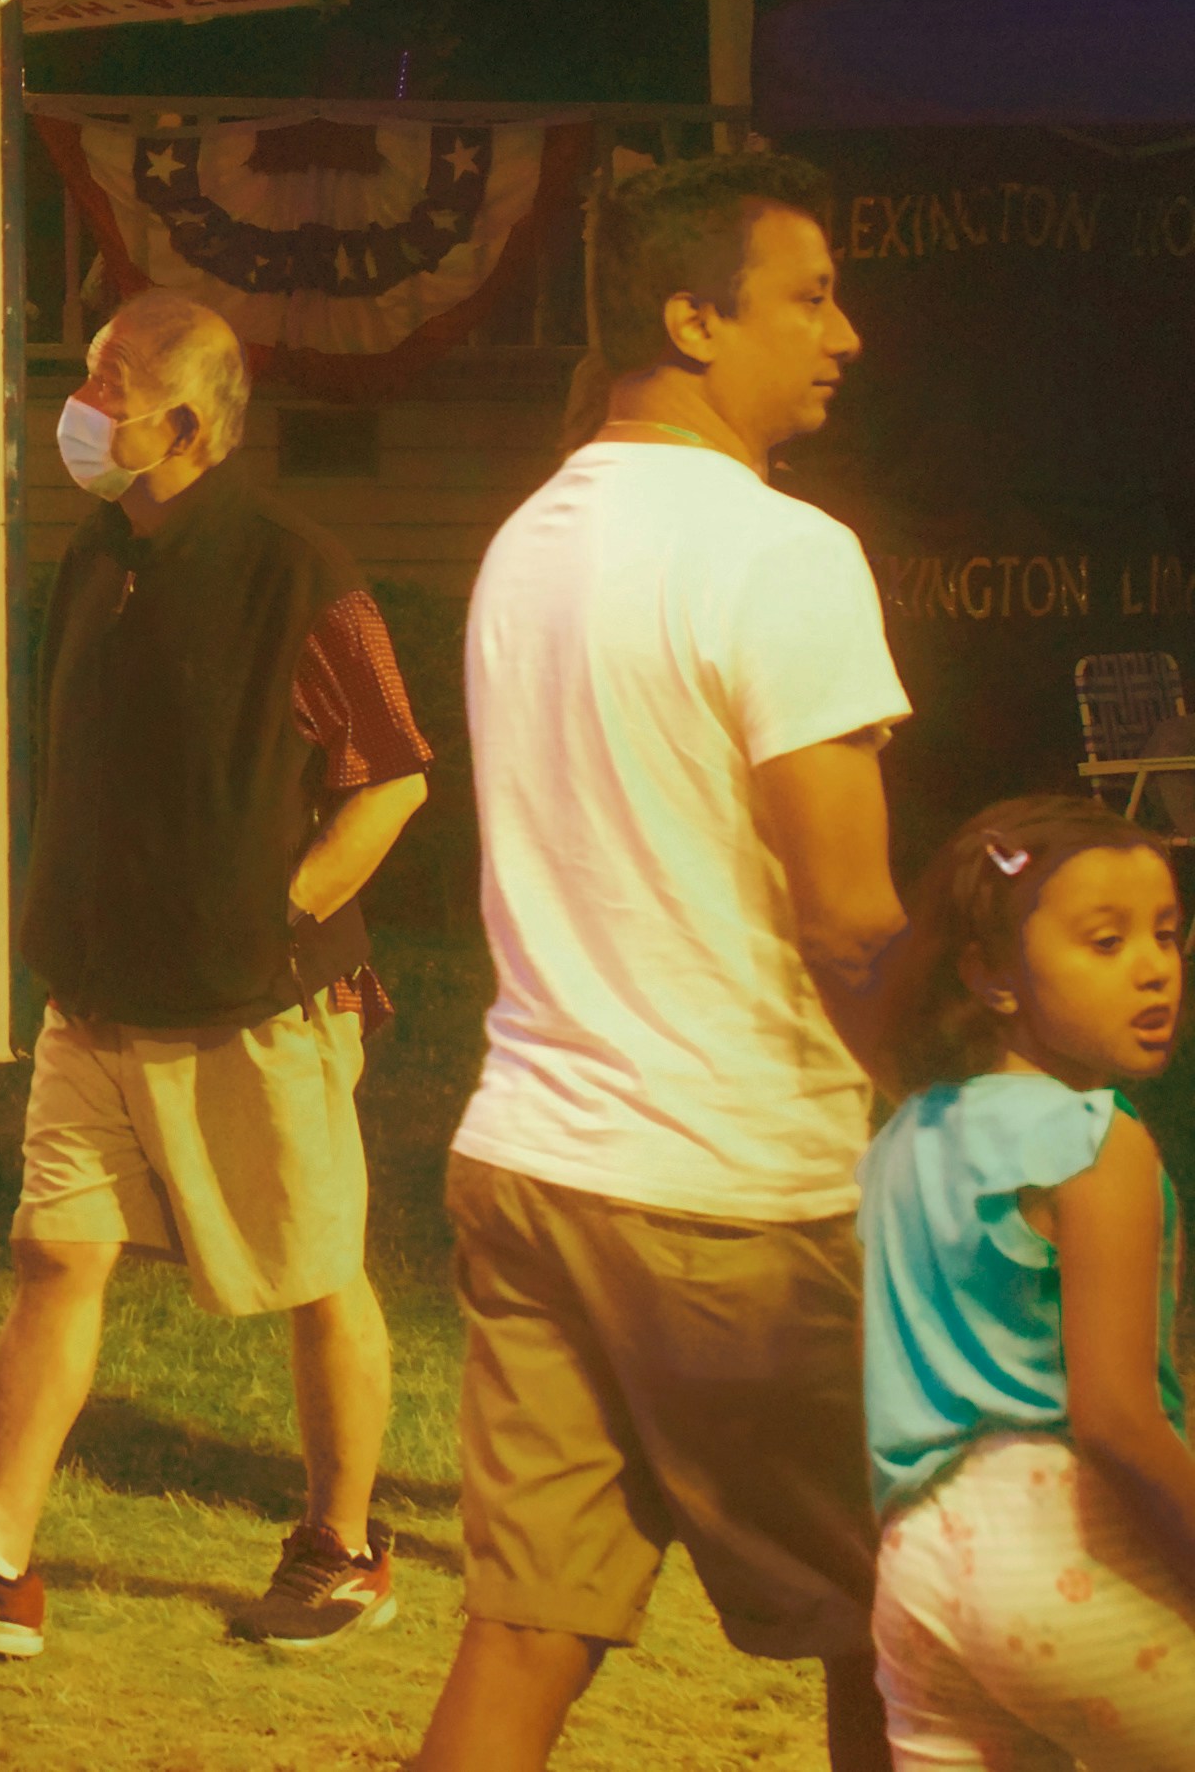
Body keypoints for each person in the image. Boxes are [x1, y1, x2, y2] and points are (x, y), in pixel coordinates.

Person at [0, 290, 432, 1658]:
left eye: (110, 379)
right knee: (56, 1251)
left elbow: (389, 778)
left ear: (183, 420)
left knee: (319, 1267)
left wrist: (274, 912)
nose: (83, 401)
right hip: (94, 994)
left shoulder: (299, 567)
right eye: (89, 370)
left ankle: (342, 1547)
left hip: (253, 999)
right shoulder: (97, 555)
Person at [409, 151, 906, 1772]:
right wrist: (964, 1091)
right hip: (735, 1195)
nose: (845, 333)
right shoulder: (785, 555)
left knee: (530, 1629)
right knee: (907, 1619)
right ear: (694, 318)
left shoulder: (524, 545)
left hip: (535, 1162)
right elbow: (844, 909)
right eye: (810, 296)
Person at [862, 794, 1195, 1766]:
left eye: (1168, 936)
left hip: (917, 1566)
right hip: (1065, 1552)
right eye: (1104, 941)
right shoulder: (1096, 1139)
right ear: (991, 976)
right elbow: (1116, 1423)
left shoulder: (905, 1136)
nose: (1153, 969)